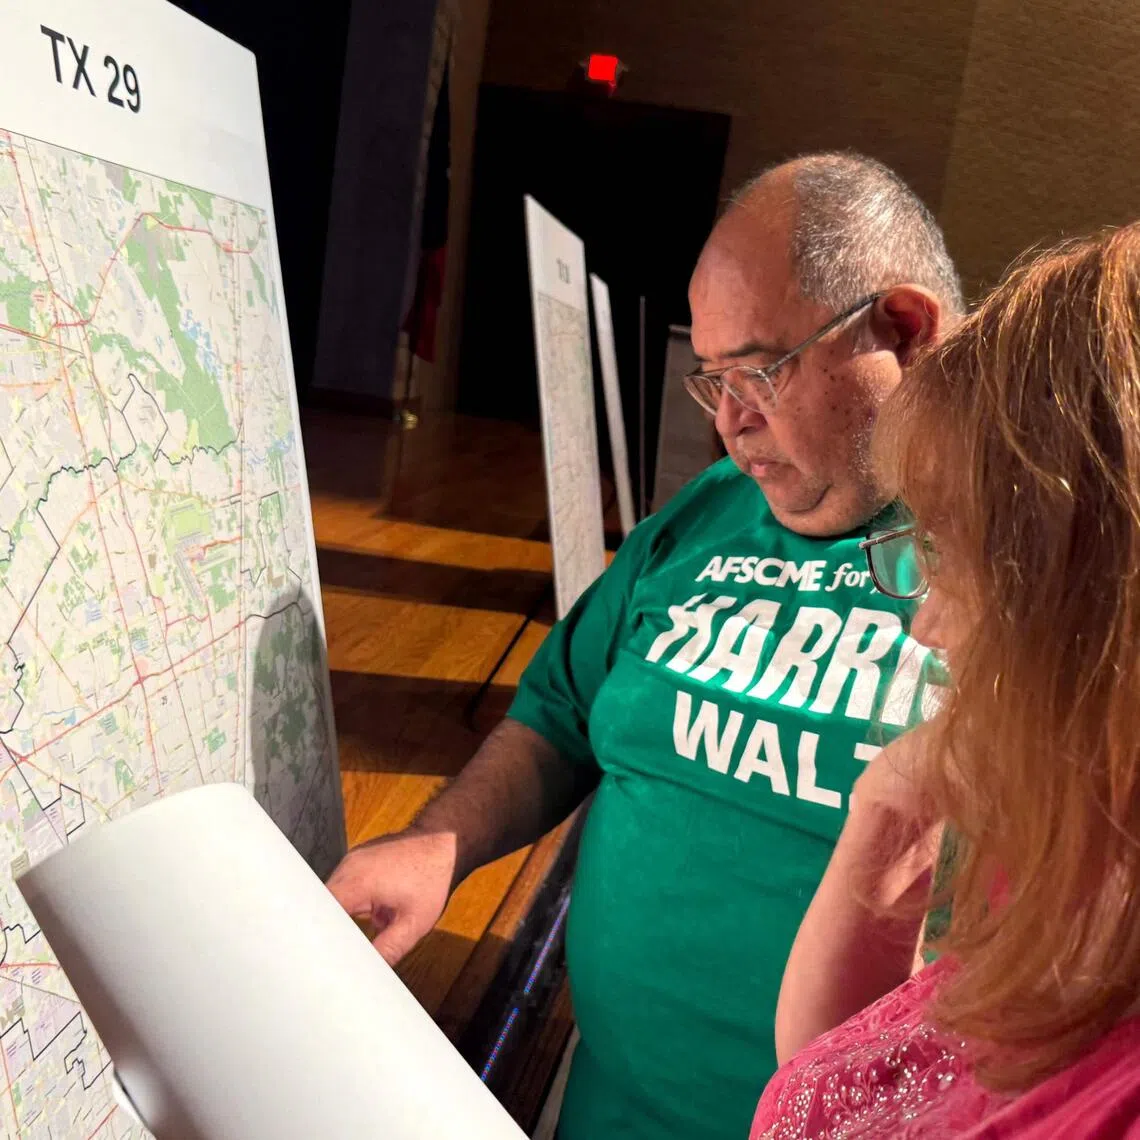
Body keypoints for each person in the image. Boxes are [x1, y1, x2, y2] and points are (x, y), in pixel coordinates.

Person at [326, 152, 963, 1140]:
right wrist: (436, 846)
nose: (733, 424)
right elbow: (558, 716)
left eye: (761, 370)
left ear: (906, 331)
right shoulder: (709, 510)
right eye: (713, 382)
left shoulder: (1019, 571)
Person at [751, 224, 1140, 1139]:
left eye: (951, 549)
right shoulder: (1079, 836)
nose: (926, 621)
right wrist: (890, 802)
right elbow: (836, 1083)